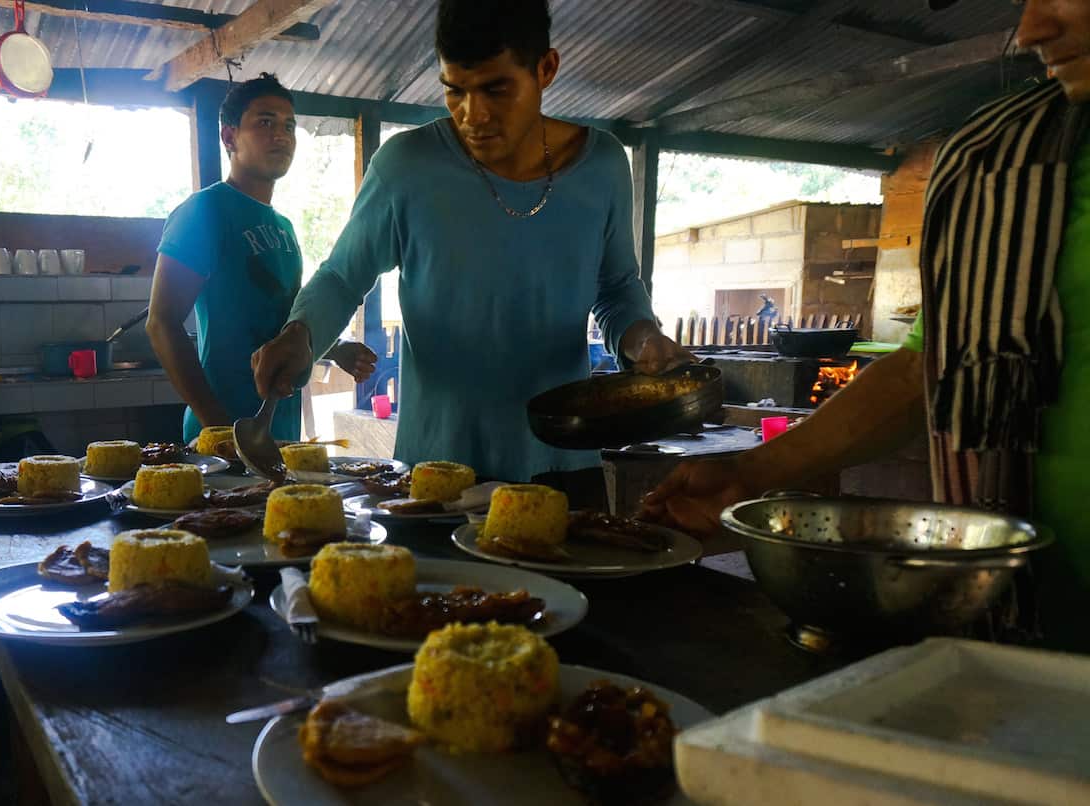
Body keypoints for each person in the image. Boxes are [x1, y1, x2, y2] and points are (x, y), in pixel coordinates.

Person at [640, 0, 1090, 649]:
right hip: (1027, 632)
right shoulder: (1010, 168)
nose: (1031, 30)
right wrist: (754, 471)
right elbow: (923, 370)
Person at [249, 0, 688, 486]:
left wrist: (643, 338)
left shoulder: (602, 165)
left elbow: (617, 289)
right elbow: (342, 276)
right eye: (454, 91)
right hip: (438, 470)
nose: (472, 115)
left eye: (495, 89)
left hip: (563, 463)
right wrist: (300, 333)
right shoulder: (407, 167)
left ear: (545, 69)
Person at [146, 74, 376, 443]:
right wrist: (218, 428)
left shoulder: (282, 226)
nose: (281, 136)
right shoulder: (204, 210)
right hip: (222, 434)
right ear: (229, 137)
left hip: (277, 431)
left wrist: (334, 350)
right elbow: (161, 323)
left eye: (289, 126)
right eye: (265, 122)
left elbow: (282, 315)